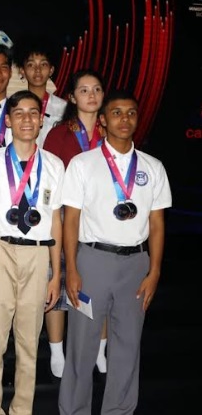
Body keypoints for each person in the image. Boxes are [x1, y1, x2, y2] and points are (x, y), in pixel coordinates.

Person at [58, 89, 172, 415]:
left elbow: (158, 224)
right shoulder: (83, 164)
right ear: (104, 120)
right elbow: (71, 220)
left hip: (136, 265)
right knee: (82, 344)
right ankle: (74, 410)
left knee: (127, 346)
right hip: (92, 262)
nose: (125, 119)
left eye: (131, 113)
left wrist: (155, 272)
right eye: (117, 113)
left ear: (138, 118)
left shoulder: (153, 166)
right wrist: (73, 269)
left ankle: (118, 411)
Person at [0, 90, 64, 415]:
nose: (27, 119)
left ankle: (21, 410)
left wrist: (56, 274)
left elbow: (56, 221)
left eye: (33, 113)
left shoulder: (54, 165)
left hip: (38, 254)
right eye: (20, 113)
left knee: (29, 342)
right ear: (9, 120)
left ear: (42, 120)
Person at [43, 69, 109, 377]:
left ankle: (99, 348)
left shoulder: (113, 131)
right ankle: (57, 351)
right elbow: (48, 178)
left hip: (102, 224)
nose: (91, 95)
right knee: (58, 283)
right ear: (72, 97)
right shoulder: (59, 133)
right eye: (84, 90)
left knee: (98, 289)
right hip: (66, 221)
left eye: (96, 89)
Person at [15, 35, 67, 148]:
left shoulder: (64, 108)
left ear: (51, 70)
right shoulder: (14, 105)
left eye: (43, 64)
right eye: (31, 65)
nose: (37, 70)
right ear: (22, 71)